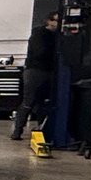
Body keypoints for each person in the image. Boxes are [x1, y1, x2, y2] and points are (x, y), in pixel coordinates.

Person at [14, 11, 59, 140]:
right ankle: (17, 131)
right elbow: (41, 52)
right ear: (49, 21)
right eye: (56, 20)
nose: (58, 24)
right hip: (35, 71)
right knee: (28, 101)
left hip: (48, 71)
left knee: (43, 103)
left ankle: (43, 130)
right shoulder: (39, 34)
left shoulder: (56, 36)